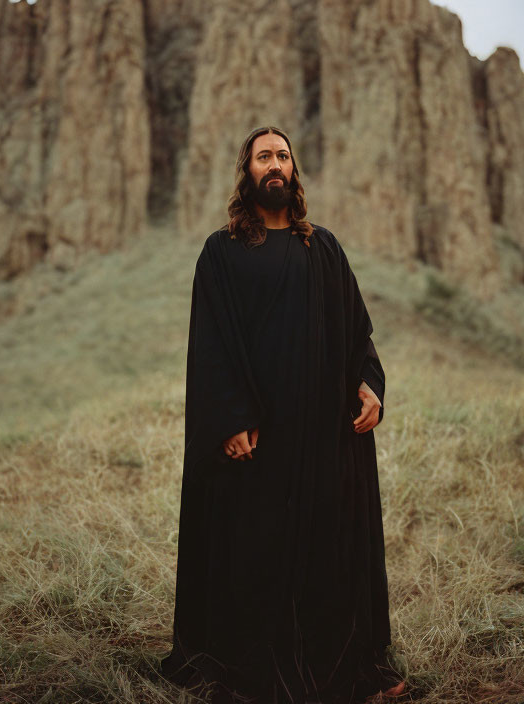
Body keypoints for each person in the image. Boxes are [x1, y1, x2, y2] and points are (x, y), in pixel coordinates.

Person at [160, 126, 406, 703]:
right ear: (246, 173)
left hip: (319, 441)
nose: (275, 164)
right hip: (259, 443)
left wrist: (370, 383)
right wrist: (229, 418)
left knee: (325, 556)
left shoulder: (322, 249)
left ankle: (339, 670)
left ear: (294, 172)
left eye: (284, 156)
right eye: (263, 156)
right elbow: (211, 343)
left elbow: (356, 333)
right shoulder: (221, 252)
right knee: (256, 556)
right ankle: (248, 668)